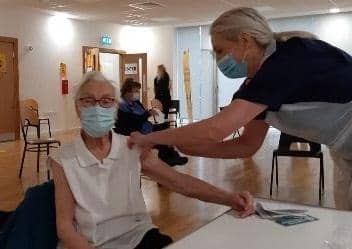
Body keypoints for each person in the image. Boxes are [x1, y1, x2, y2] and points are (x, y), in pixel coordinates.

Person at [128, 7, 352, 210]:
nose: (218, 59)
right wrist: (192, 149)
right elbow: (247, 145)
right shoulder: (255, 85)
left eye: (220, 50)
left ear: (245, 40)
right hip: (343, 148)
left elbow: (215, 130)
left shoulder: (288, 59)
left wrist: (151, 138)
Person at [48, 71, 254, 249]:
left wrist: (229, 198)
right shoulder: (63, 158)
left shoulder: (130, 147)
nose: (97, 108)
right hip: (92, 243)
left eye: (106, 101)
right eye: (88, 101)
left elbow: (181, 183)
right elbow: (65, 227)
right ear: (77, 107)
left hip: (138, 236)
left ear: (114, 108)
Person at [115, 78, 188, 166]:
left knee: (165, 127)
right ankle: (168, 157)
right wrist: (147, 114)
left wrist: (149, 112)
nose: (137, 93)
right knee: (159, 134)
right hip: (134, 130)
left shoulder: (136, 102)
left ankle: (171, 155)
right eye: (135, 91)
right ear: (127, 92)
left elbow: (143, 114)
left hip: (144, 126)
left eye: (138, 91)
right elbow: (132, 121)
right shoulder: (121, 106)